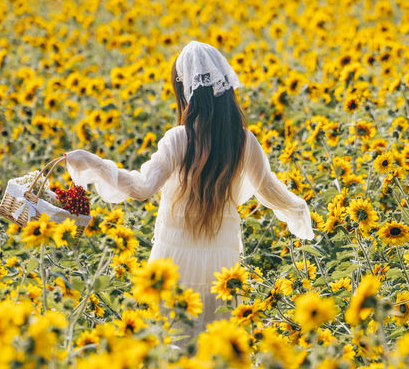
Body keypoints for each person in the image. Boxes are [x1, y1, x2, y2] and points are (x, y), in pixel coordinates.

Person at [64, 40, 314, 333]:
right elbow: (269, 190)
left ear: (185, 88)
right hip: (222, 260)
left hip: (173, 260)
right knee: (216, 342)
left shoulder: (178, 140)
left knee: (170, 341)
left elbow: (142, 187)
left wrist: (94, 163)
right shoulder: (245, 141)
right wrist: (299, 208)